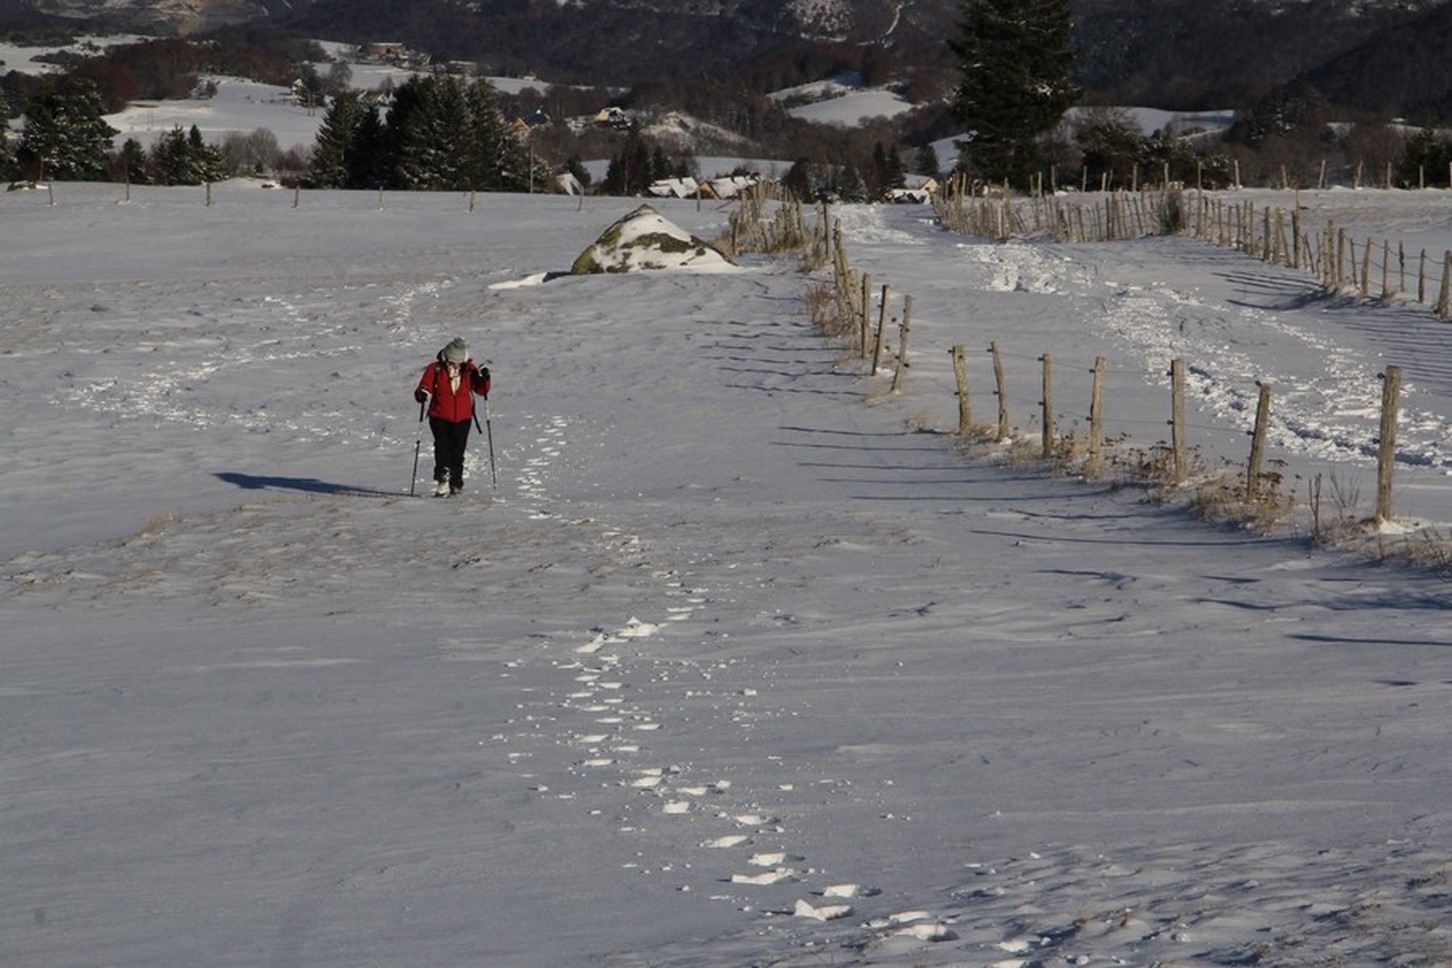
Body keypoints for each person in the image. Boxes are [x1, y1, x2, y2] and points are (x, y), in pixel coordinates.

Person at [414, 337, 491, 496]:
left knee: (458, 451)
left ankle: (456, 483)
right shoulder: (435, 368)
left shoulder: (469, 369)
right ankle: (443, 481)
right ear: (446, 358)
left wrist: (485, 378)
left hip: (463, 417)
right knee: (442, 447)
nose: (455, 365)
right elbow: (425, 385)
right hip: (439, 415)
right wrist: (422, 394)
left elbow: (481, 390)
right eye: (452, 362)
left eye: (458, 362)